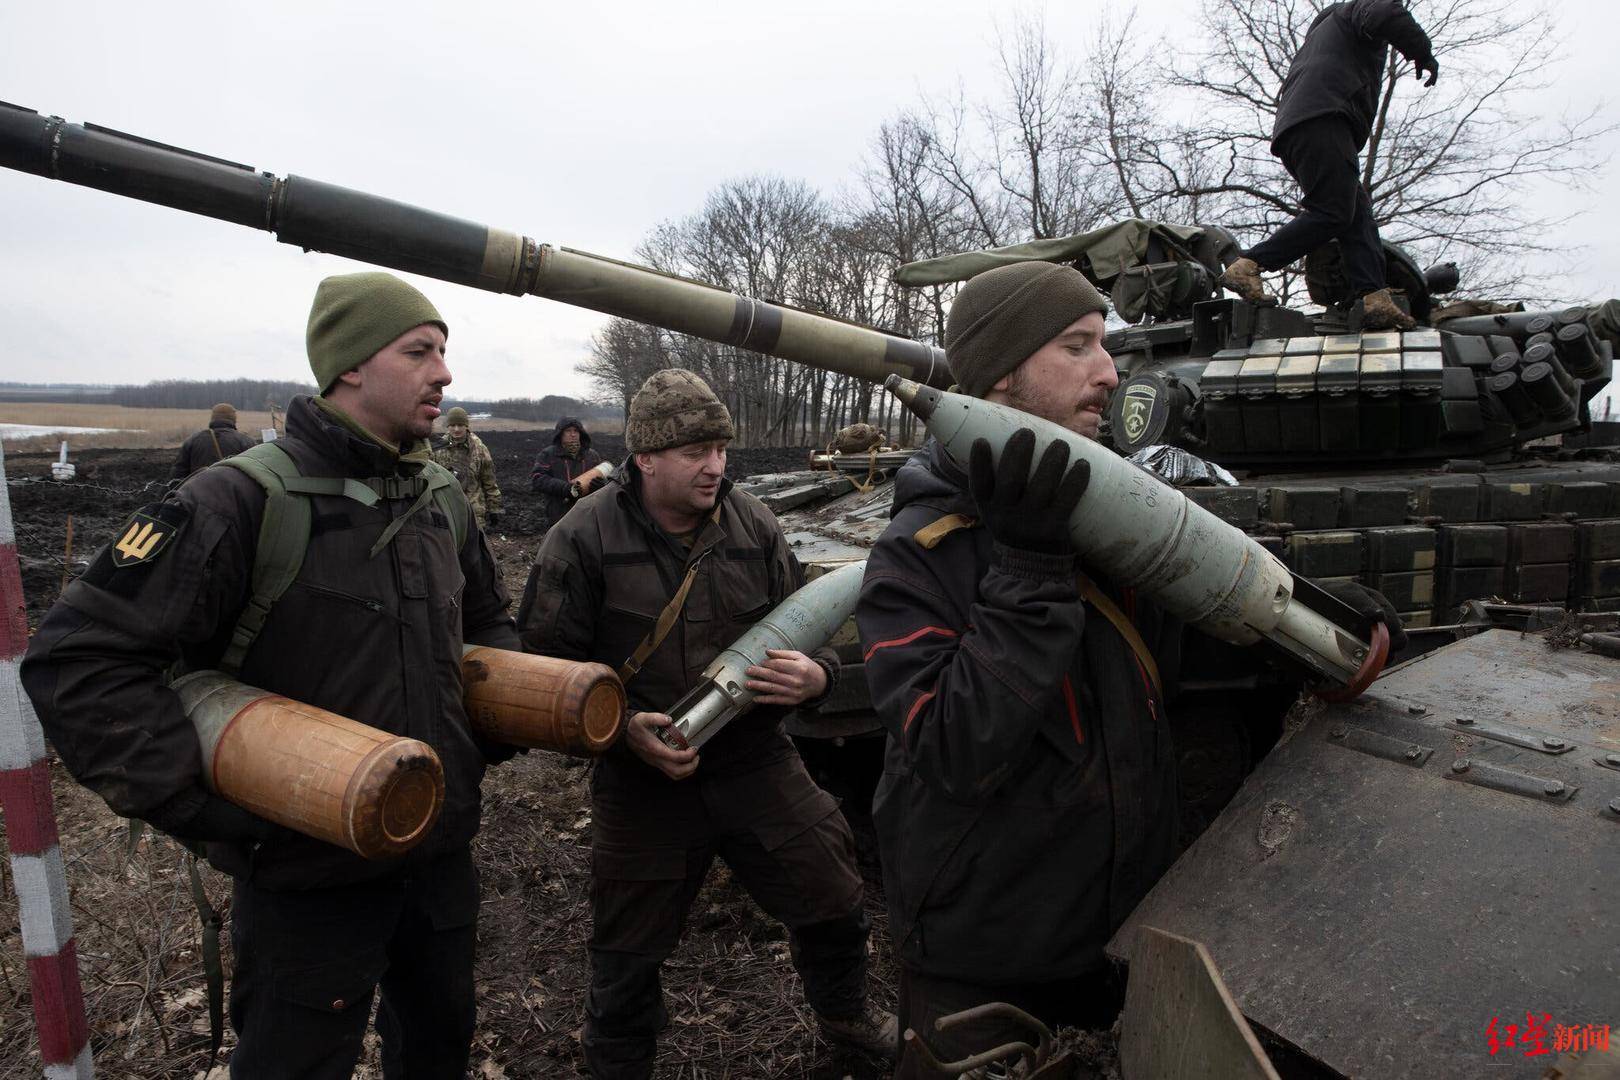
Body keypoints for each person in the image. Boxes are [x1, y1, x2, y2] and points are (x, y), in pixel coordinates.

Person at [855, 262, 1405, 1074]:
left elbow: (1185, 656)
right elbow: (953, 748)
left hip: (1125, 937)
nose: (1111, 373)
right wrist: (1029, 571)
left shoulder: (1107, 519)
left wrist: (1318, 621)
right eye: (1077, 347)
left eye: (1105, 347)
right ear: (1001, 374)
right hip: (989, 966)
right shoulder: (915, 556)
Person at [22, 271, 521, 1080]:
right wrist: (205, 804)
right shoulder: (235, 501)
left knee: (437, 1048)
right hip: (303, 880)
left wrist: (481, 740)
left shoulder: (438, 498)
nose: (445, 373)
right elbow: (79, 659)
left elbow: (490, 625)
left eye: (444, 352)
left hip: (436, 857)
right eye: (420, 351)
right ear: (351, 365)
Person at [518, 368, 897, 1078]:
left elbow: (802, 631)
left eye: (721, 448)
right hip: (641, 780)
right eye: (696, 451)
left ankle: (846, 1020)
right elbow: (540, 673)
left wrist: (816, 682)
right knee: (625, 956)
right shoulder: (581, 538)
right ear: (647, 459)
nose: (716, 466)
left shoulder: (752, 522)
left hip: (755, 760)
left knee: (834, 895)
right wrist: (623, 729)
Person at [1219, 0, 1438, 331]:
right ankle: (1249, 264)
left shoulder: (1330, 26)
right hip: (1325, 117)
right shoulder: (1358, 12)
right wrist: (1422, 52)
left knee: (1356, 213)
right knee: (1333, 211)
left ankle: (1375, 299)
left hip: (1304, 123)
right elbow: (1386, 13)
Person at [433, 405, 504, 529]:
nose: (456, 429)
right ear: (447, 426)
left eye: (460, 425)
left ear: (466, 426)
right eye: (452, 425)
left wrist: (494, 508)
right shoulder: (438, 449)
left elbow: (489, 482)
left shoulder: (480, 449)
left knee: (475, 546)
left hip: (474, 513)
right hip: (447, 512)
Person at [529, 415, 605, 530]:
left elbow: (604, 481)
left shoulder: (592, 456)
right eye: (568, 431)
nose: (573, 434)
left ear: (581, 434)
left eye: (576, 431)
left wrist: (600, 485)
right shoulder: (548, 455)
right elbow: (538, 479)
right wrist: (565, 488)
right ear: (560, 434)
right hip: (559, 515)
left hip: (587, 514)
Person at [170, 402, 256, 483]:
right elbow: (255, 472)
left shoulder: (193, 440)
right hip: (233, 495)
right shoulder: (246, 441)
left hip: (197, 493)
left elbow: (178, 473)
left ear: (213, 418)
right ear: (234, 419)